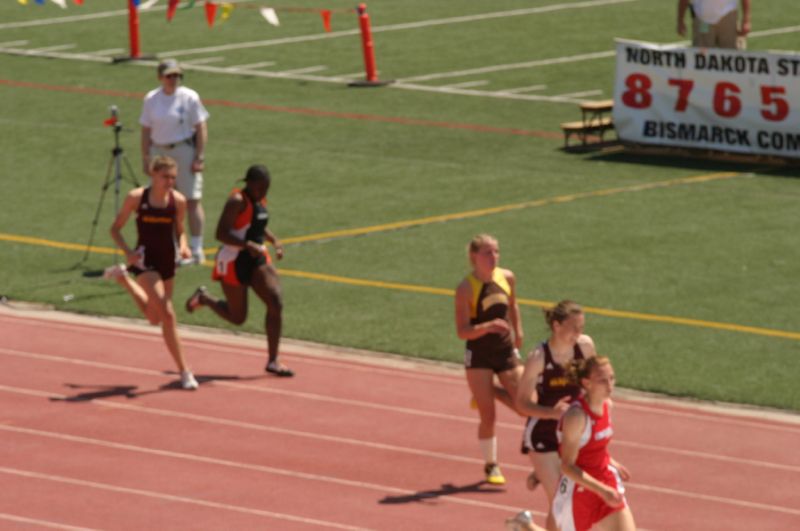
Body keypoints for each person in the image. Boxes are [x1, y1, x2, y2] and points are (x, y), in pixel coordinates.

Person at [184, 164, 293, 377]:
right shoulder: (236, 201)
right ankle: (204, 298)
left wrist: (273, 239)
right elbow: (221, 233)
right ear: (249, 183)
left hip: (256, 258)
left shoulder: (259, 199)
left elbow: (256, 222)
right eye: (260, 188)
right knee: (237, 317)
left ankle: (273, 360)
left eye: (266, 189)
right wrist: (246, 245)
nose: (263, 192)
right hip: (234, 259)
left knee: (275, 300)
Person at [104, 155, 199, 390]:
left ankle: (124, 280)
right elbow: (115, 229)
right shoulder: (137, 198)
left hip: (168, 261)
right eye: (165, 177)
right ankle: (185, 371)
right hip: (145, 262)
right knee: (168, 315)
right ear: (153, 175)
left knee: (154, 317)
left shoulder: (178, 201)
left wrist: (184, 246)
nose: (169, 182)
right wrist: (128, 252)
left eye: (173, 178)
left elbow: (180, 231)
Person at [512, 301, 597, 530]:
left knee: (569, 502)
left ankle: (525, 525)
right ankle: (543, 467)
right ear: (557, 326)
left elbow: (594, 385)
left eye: (581, 327)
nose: (579, 334)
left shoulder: (585, 347)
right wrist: (551, 413)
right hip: (543, 435)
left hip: (571, 434)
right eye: (574, 328)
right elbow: (521, 403)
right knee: (563, 503)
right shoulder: (539, 357)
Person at [454, 234, 524, 485]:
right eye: (487, 253)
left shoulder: (507, 277)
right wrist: (488, 326)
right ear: (474, 257)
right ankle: (491, 465)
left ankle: (489, 390)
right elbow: (462, 331)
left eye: (496, 252)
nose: (493, 257)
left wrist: (519, 330)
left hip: (504, 350)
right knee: (488, 417)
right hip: (479, 354)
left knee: (525, 405)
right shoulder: (465, 288)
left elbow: (513, 305)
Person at [552, 356, 636, 531]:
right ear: (587, 383)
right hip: (578, 489)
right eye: (602, 380)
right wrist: (602, 490)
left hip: (605, 479)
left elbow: (596, 446)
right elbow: (567, 466)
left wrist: (612, 462)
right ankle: (526, 526)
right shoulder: (577, 417)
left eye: (612, 378)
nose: (609, 385)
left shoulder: (607, 405)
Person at [140, 58, 209, 265]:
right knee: (166, 201)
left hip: (183, 149)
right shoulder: (151, 99)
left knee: (191, 199)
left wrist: (199, 156)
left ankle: (196, 248)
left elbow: (201, 127)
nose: (174, 80)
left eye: (177, 76)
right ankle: (176, 248)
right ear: (161, 77)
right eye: (170, 76)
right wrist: (146, 157)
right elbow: (146, 130)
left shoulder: (189, 97)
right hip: (160, 151)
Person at [677, 0, 751, 49]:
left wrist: (746, 20)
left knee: (731, 55)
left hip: (728, 16)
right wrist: (680, 20)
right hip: (703, 20)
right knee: (702, 55)